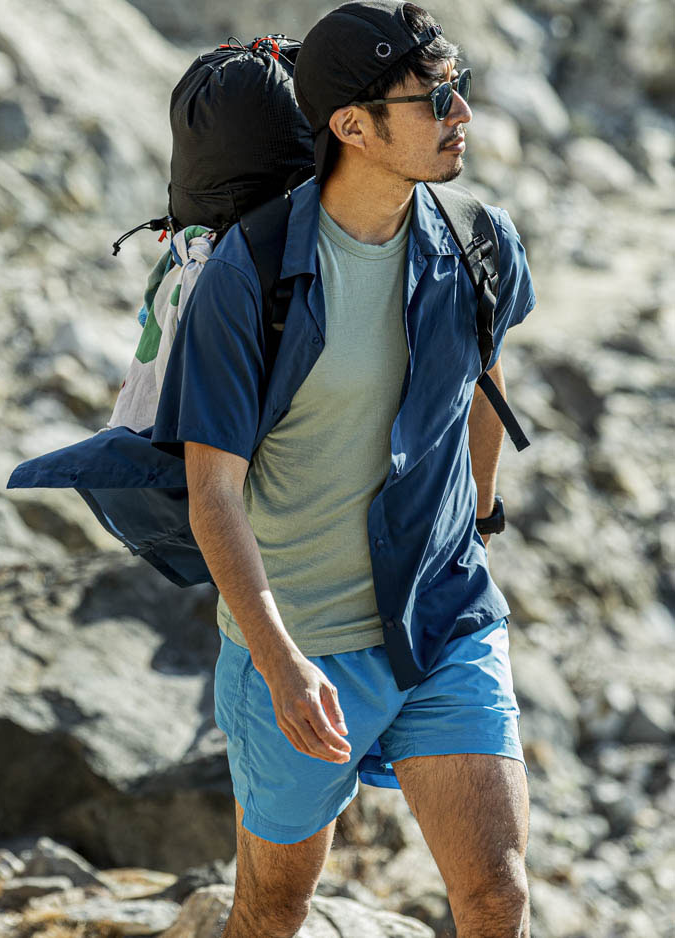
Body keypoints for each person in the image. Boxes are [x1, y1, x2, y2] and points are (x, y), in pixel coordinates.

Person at [152, 2, 536, 935]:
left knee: (497, 896)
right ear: (352, 127)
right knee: (276, 905)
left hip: (444, 623)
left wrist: (477, 527)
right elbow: (213, 493)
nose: (463, 116)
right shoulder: (253, 277)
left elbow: (480, 384)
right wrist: (280, 663)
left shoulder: (478, 242)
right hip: (302, 647)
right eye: (435, 97)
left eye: (462, 89)